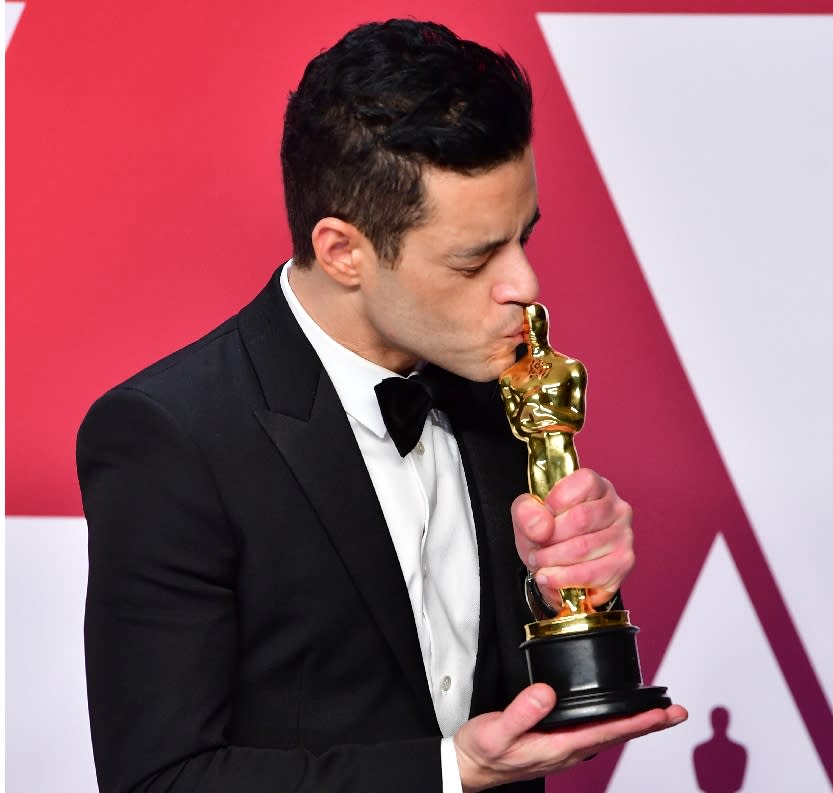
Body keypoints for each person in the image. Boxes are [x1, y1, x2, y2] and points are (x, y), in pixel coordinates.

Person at [77, 19, 687, 793]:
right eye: (475, 258)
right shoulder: (171, 436)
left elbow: (527, 695)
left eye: (523, 238)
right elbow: (159, 781)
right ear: (343, 252)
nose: (525, 285)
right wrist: (450, 771)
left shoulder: (506, 385)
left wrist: (562, 584)